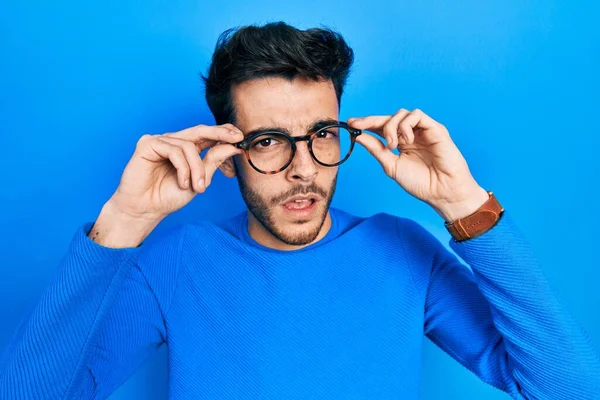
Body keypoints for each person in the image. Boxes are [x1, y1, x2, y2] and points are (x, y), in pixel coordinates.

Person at [0, 21, 598, 400]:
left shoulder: (403, 251)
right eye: (267, 142)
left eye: (320, 135)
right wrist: (122, 224)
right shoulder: (176, 264)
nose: (303, 168)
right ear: (228, 155)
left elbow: (564, 388)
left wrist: (461, 202)